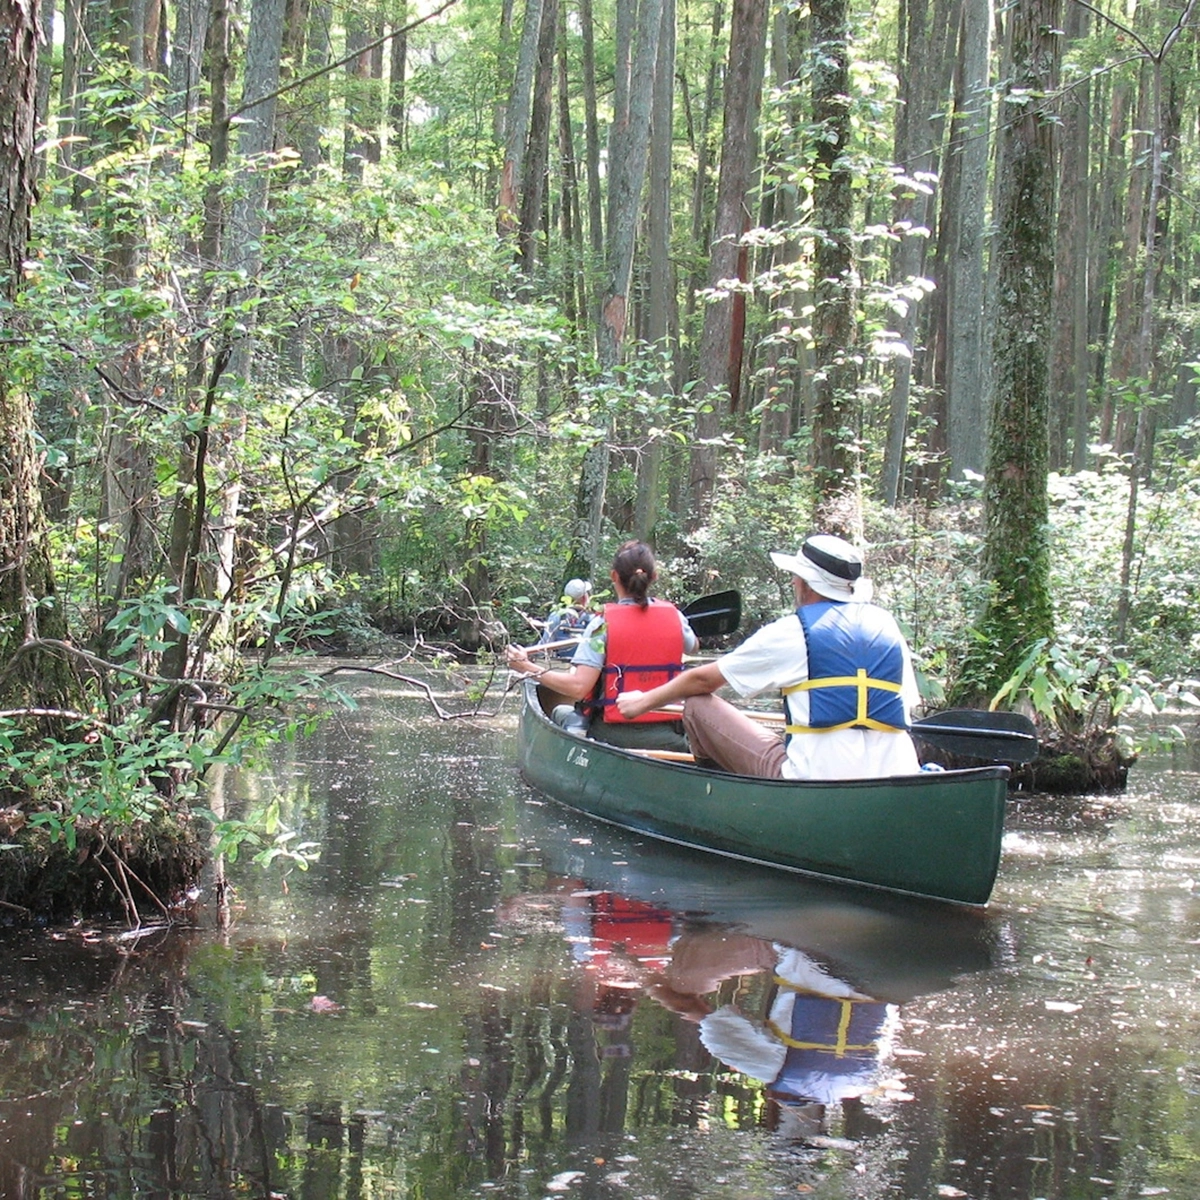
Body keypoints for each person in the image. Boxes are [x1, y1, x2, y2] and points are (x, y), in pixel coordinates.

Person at [614, 533, 921, 780]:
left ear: (804, 583)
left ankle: (715, 791)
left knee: (696, 706)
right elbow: (906, 705)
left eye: (795, 577)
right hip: (897, 775)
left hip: (813, 781)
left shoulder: (795, 630)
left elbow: (702, 679)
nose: (792, 583)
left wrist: (641, 702)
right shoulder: (886, 626)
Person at [506, 540, 698, 752]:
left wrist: (526, 667)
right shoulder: (676, 618)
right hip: (669, 733)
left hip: (611, 734)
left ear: (614, 576)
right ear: (654, 576)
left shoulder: (601, 625)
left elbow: (578, 688)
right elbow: (694, 647)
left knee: (561, 711)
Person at [539, 578, 592, 659]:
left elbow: (545, 646)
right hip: (586, 667)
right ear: (585, 597)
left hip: (560, 666)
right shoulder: (593, 619)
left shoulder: (556, 616)